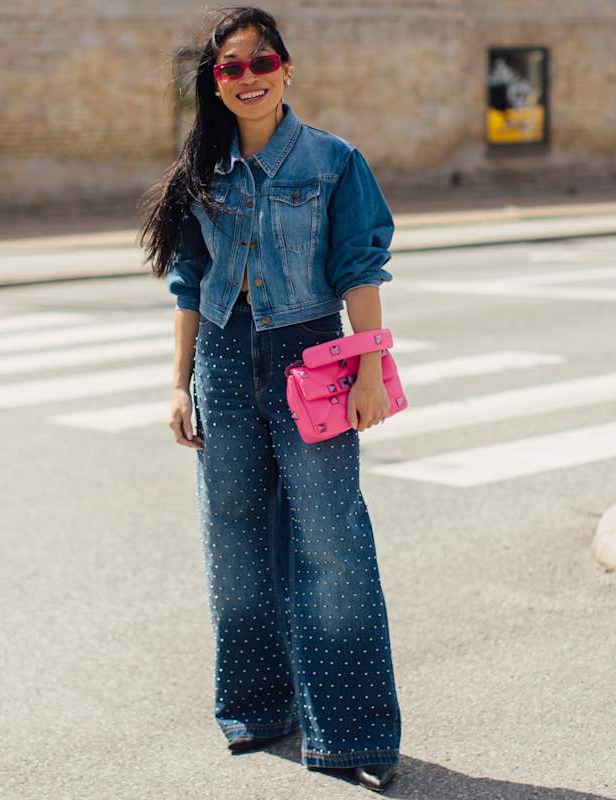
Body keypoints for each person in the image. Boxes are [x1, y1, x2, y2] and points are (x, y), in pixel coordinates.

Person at [138, 7, 401, 792]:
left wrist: (368, 372)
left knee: (331, 539)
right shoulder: (204, 173)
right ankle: (257, 707)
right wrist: (177, 383)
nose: (247, 78)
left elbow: (360, 266)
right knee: (234, 535)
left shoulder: (332, 161)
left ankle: (354, 732)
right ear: (214, 84)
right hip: (222, 357)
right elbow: (189, 284)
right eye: (230, 68)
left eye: (261, 63)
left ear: (287, 69)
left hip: (312, 354)